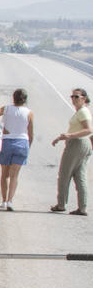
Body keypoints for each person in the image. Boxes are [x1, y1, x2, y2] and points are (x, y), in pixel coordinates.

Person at [0, 89, 34, 211]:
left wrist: (1, 128)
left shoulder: (6, 109)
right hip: (22, 143)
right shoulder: (29, 113)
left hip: (6, 143)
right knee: (14, 176)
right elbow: (31, 133)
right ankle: (10, 201)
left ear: (13, 98)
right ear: (25, 99)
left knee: (4, 175)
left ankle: (4, 200)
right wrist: (28, 146)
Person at [50, 86, 92, 215]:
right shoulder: (81, 111)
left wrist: (70, 136)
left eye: (76, 97)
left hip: (77, 144)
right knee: (80, 176)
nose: (73, 99)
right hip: (82, 144)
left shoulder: (83, 112)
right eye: (72, 96)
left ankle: (61, 204)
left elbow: (88, 129)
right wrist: (62, 137)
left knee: (64, 174)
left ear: (84, 98)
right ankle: (82, 207)